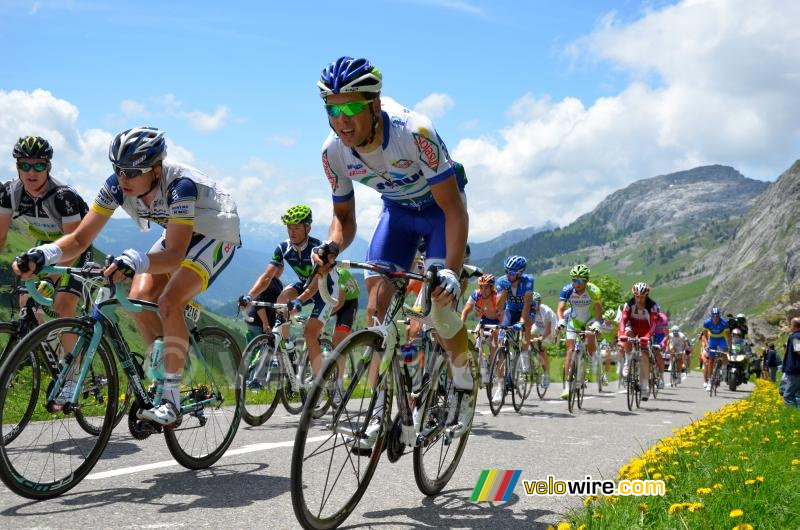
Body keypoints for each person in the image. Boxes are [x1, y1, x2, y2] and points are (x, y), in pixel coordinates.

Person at [14, 127, 240, 425]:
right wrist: (45, 254)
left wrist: (135, 260)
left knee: (170, 301)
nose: (123, 178)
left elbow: (174, 254)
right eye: (118, 170)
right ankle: (166, 371)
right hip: (180, 230)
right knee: (137, 298)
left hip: (215, 233)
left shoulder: (180, 186)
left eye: (132, 172)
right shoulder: (116, 186)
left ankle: (171, 398)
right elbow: (81, 239)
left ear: (156, 170)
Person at [314, 56, 473, 446]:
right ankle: (380, 414)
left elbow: (454, 208)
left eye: (351, 107)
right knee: (376, 314)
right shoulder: (333, 152)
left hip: (439, 214)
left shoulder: (414, 132)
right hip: (398, 217)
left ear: (374, 105)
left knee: (439, 308)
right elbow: (343, 218)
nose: (342, 119)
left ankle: (463, 377)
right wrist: (332, 245)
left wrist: (450, 273)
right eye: (333, 109)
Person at [1, 135, 91, 320]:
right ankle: (37, 346)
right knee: (27, 303)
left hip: (74, 248)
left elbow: (74, 242)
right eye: (25, 165)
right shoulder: (9, 193)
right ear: (17, 167)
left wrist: (51, 279)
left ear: (48, 167)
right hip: (43, 245)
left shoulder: (62, 196)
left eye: (39, 165)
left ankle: (70, 349)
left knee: (63, 306)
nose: (31, 172)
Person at [241, 205, 332, 379]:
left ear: (308, 228)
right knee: (282, 298)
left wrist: (300, 300)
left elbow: (316, 281)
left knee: (310, 334)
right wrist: (249, 296)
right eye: (289, 227)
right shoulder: (283, 247)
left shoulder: (317, 249)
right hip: (305, 285)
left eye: (297, 227)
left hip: (325, 289)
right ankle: (285, 344)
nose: (292, 232)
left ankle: (320, 383)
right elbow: (268, 276)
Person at [557, 264, 603, 400]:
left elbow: (599, 314)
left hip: (590, 319)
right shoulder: (567, 290)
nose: (577, 283)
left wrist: (596, 324)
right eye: (574, 280)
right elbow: (560, 309)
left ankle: (591, 357)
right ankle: (566, 386)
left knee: (590, 342)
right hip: (574, 320)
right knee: (570, 351)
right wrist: (560, 320)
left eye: (581, 280)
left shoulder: (594, 291)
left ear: (587, 280)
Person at [617, 282, 659, 401]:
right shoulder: (629, 304)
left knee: (644, 353)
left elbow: (654, 323)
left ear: (646, 295)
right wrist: (621, 334)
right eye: (637, 296)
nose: (639, 299)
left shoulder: (652, 306)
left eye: (642, 297)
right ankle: (628, 360)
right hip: (633, 326)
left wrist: (647, 336)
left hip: (647, 329)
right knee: (627, 334)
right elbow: (623, 321)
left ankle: (645, 387)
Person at [496, 255, 535, 373]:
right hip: (511, 309)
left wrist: (522, 321)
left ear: (520, 273)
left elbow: (527, 303)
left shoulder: (528, 281)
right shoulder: (502, 281)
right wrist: (504, 290)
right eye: (506, 271)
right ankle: (501, 384)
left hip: (527, 309)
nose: (508, 275)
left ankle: (524, 354)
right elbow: (499, 305)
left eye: (512, 273)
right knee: (502, 336)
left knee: (526, 325)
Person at [240, 264, 284, 342]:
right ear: (272, 268)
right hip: (258, 322)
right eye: (277, 267)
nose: (279, 270)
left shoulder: (278, 283)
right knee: (256, 351)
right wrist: (265, 323)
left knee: (260, 351)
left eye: (281, 268)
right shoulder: (267, 280)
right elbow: (259, 300)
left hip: (266, 323)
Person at [529, 291, 555, 387]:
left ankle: (546, 375)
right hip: (538, 327)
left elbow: (547, 330)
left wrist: (540, 339)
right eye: (532, 303)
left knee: (542, 348)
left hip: (550, 331)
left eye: (536, 303)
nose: (534, 305)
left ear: (540, 302)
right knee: (528, 334)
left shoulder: (546, 311)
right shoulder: (530, 309)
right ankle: (533, 356)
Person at [701, 307, 731, 391]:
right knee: (711, 360)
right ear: (711, 316)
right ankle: (710, 382)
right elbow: (705, 336)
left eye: (717, 316)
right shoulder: (707, 322)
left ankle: (724, 368)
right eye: (713, 316)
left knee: (725, 351)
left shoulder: (724, 323)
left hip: (721, 339)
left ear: (719, 316)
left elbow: (728, 337)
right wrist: (707, 345)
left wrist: (730, 347)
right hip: (712, 340)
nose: (715, 318)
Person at [781, 317, 800, 407]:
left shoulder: (795, 336)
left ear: (794, 326)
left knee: (788, 396)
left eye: (790, 324)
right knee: (798, 394)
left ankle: (793, 415)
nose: (789, 326)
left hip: (795, 370)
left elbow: (799, 350)